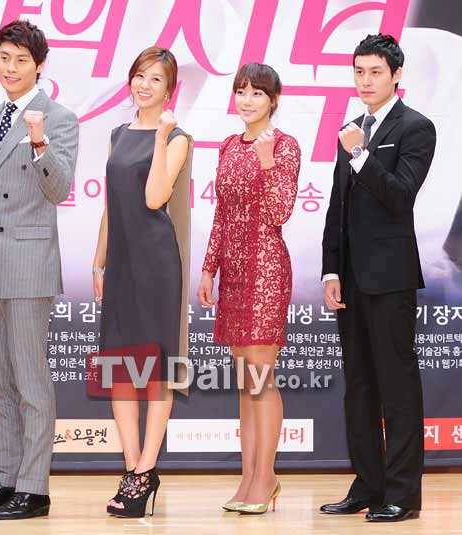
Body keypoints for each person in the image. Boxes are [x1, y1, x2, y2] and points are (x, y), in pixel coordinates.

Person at [0, 20, 79, 520]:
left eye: (22, 59)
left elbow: (60, 189)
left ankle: (34, 487)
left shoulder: (59, 118)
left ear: (39, 65)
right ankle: (3, 479)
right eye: (5, 57)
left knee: (30, 383)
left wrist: (40, 142)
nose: (11, 67)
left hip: (27, 265)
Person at [320, 34, 436, 522]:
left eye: (375, 72)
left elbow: (401, 196)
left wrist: (362, 156)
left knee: (397, 386)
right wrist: (330, 268)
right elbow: (337, 206)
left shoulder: (416, 127)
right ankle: (367, 485)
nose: (365, 81)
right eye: (359, 71)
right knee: (360, 387)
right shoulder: (352, 129)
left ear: (396, 75)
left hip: (390, 278)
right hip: (350, 279)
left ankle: (402, 494)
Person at [92, 46, 192, 518]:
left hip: (156, 265)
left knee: (154, 372)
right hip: (121, 264)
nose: (145, 85)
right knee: (120, 371)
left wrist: (162, 136)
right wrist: (99, 262)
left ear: (169, 89)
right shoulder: (117, 134)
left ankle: (147, 465)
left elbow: (154, 198)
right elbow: (111, 206)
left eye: (156, 79)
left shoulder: (177, 138)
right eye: (140, 76)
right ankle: (134, 469)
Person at [198, 63, 301, 515]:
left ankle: (266, 478)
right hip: (234, 273)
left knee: (261, 378)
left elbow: (280, 212)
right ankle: (248, 479)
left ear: (273, 100)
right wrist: (209, 269)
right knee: (245, 382)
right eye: (241, 91)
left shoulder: (286, 145)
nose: (247, 100)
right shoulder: (226, 146)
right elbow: (221, 215)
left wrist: (267, 161)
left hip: (266, 269)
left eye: (257, 93)